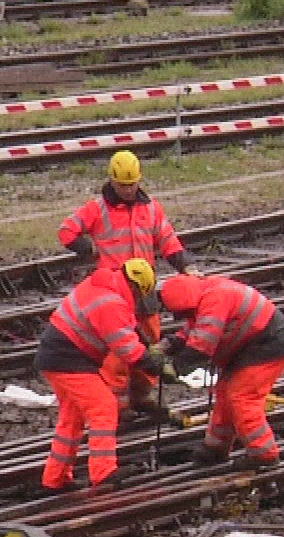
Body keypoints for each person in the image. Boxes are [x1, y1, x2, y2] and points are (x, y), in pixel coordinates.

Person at [57, 150, 194, 414]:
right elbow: (66, 231)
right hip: (114, 291)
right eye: (123, 185)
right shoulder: (97, 209)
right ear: (112, 181)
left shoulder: (151, 208)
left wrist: (186, 264)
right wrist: (89, 249)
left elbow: (167, 240)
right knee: (119, 350)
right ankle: (114, 403)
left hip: (144, 289)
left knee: (150, 341)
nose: (129, 190)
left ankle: (141, 394)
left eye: (132, 184)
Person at [34, 259, 168, 494]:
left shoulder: (106, 286)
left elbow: (130, 328)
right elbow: (126, 348)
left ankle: (55, 479)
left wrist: (147, 347)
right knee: (104, 408)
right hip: (67, 358)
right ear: (136, 287)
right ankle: (103, 472)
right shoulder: (111, 303)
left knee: (72, 418)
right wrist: (154, 365)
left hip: (57, 356)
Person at [157, 274, 284, 470]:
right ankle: (215, 448)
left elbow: (202, 344)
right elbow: (193, 329)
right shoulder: (204, 295)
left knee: (242, 397)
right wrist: (170, 344)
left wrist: (175, 367)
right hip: (252, 346)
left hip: (267, 346)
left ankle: (264, 454)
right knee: (224, 395)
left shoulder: (215, 298)